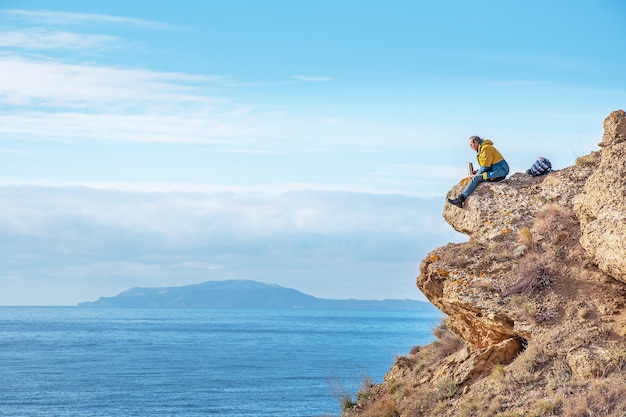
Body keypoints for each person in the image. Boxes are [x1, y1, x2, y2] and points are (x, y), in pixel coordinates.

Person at [447, 136, 509, 208]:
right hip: (495, 171)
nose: (471, 147)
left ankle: (460, 199)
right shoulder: (481, 149)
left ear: (476, 142)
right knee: (477, 177)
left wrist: (477, 175)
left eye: (471, 145)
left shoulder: (486, 148)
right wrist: (477, 172)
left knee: (476, 179)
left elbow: (486, 166)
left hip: (499, 171)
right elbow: (486, 166)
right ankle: (460, 199)